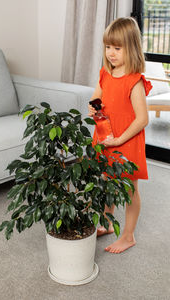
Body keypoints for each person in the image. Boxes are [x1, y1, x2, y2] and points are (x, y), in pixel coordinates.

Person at [88, 17, 152, 254]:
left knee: (129, 190)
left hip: (126, 142)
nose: (111, 53)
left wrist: (119, 140)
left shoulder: (134, 81)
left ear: (131, 47)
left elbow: (142, 119)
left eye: (117, 48)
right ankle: (106, 223)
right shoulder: (106, 72)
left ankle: (128, 235)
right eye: (108, 47)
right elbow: (97, 99)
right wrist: (93, 108)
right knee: (106, 183)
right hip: (106, 138)